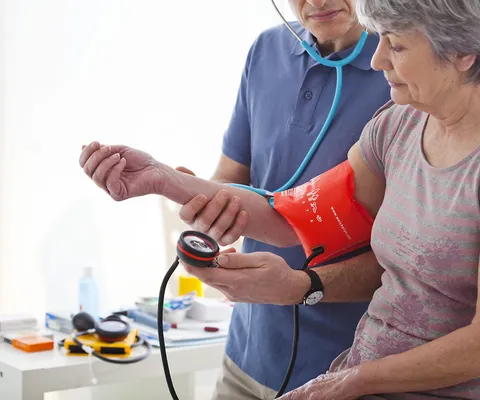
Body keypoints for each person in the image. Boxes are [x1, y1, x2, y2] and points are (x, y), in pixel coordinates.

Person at [79, 0, 480, 398]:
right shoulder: (400, 124)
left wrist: (355, 379)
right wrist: (162, 179)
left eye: (396, 46)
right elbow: (295, 216)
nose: (379, 60)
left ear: (462, 52)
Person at [83, 1, 389, 398]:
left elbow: (405, 259)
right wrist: (181, 191)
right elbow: (231, 182)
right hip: (246, 357)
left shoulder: (402, 74)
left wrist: (299, 286)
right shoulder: (266, 51)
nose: (315, 2)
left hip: (342, 372)